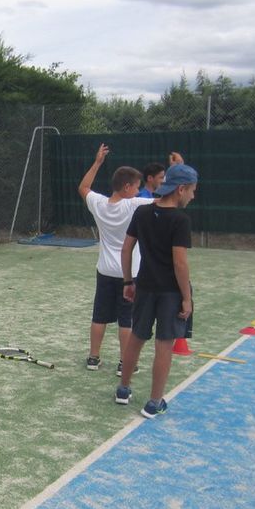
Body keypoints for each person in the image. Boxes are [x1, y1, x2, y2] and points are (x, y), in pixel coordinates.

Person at [115, 163, 199, 419]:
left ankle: (123, 389)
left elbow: (126, 248)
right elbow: (179, 263)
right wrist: (186, 298)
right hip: (170, 293)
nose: (193, 196)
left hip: (144, 286)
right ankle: (154, 402)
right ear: (181, 190)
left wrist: (128, 282)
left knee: (136, 337)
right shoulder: (180, 220)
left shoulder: (142, 213)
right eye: (192, 191)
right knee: (165, 344)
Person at [78, 144, 155, 375]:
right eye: (137, 187)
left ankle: (93, 358)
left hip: (104, 271)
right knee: (126, 320)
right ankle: (125, 363)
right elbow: (165, 202)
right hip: (128, 274)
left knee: (99, 315)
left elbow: (83, 187)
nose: (138, 191)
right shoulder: (134, 205)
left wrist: (98, 162)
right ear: (127, 186)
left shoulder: (99, 204)